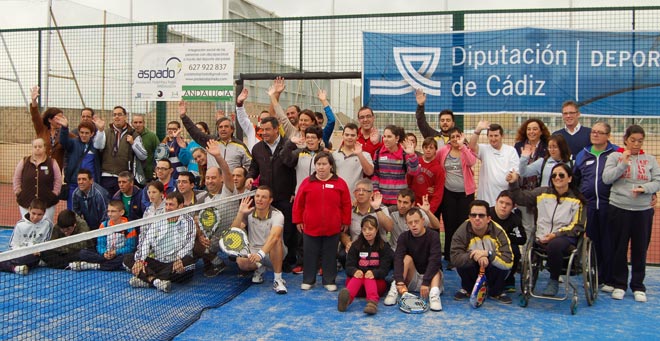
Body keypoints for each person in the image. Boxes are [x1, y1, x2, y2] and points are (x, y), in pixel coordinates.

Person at [507, 163, 586, 297]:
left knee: (555, 244)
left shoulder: (577, 200)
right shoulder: (542, 193)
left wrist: (555, 235)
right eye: (554, 175)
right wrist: (514, 183)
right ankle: (529, 284)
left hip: (565, 237)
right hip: (541, 236)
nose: (557, 178)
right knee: (537, 245)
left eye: (561, 175)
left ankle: (553, 280)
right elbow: (520, 198)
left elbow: (577, 226)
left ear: (570, 179)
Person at [602, 125, 660, 302]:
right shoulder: (614, 156)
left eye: (640, 141)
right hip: (619, 208)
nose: (636, 144)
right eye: (633, 140)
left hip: (642, 211)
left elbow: (658, 180)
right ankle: (620, 284)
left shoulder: (650, 159)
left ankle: (638, 286)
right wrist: (623, 164)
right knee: (619, 247)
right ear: (625, 139)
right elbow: (607, 178)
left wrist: (645, 188)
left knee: (640, 248)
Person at [293, 152, 351, 291]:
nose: (321, 167)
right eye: (318, 164)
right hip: (310, 227)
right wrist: (298, 220)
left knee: (330, 255)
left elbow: (346, 204)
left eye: (324, 164)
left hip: (333, 227)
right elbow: (298, 203)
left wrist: (345, 221)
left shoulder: (340, 183)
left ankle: (329, 280)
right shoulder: (307, 183)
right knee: (309, 254)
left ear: (331, 166)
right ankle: (308, 279)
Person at [246, 116, 297, 272]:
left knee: (287, 229)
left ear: (276, 129)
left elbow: (296, 169)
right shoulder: (257, 148)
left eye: (268, 129)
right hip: (265, 199)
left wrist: (294, 191)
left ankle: (286, 261)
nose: (264, 133)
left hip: (285, 196)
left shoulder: (289, 145)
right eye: (262, 129)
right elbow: (254, 167)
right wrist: (249, 177)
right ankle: (261, 258)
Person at [573, 121, 618, 292]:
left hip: (611, 205)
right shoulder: (582, 154)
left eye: (600, 132)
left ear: (608, 136)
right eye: (593, 132)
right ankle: (595, 275)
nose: (595, 134)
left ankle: (610, 278)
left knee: (610, 242)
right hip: (590, 207)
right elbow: (575, 178)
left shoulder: (616, 153)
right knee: (592, 242)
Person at [124, 192, 196, 292]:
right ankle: (156, 281)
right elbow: (147, 240)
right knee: (129, 259)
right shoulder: (158, 219)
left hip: (175, 263)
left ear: (180, 206)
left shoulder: (188, 221)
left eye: (171, 205)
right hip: (158, 261)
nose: (167, 207)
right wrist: (140, 260)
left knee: (189, 263)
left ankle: (146, 278)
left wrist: (179, 258)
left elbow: (190, 243)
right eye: (166, 204)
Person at [451, 200, 514, 304]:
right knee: (463, 262)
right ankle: (468, 289)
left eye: (481, 215)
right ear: (469, 217)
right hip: (473, 266)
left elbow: (508, 261)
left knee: (502, 262)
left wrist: (489, 254)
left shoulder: (499, 231)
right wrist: (475, 255)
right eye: (473, 215)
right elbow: (454, 258)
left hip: (491, 267)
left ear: (488, 219)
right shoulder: (461, 232)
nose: (477, 218)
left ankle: (496, 292)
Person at [383, 208, 443, 311]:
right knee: (406, 258)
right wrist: (399, 281)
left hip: (430, 281)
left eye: (416, 221)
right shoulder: (403, 237)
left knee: (436, 270)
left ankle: (434, 296)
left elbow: (435, 260)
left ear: (423, 220)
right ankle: (394, 289)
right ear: (407, 224)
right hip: (413, 278)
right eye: (410, 223)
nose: (414, 225)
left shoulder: (433, 236)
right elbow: (398, 259)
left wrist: (426, 282)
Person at [231, 187, 288, 294]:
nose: (259, 199)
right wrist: (240, 213)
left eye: (263, 197)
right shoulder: (249, 213)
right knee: (240, 262)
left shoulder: (278, 215)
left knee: (276, 241)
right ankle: (260, 268)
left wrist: (260, 254)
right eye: (257, 196)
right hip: (254, 253)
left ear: (270, 200)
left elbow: (275, 236)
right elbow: (233, 232)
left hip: (273, 253)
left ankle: (278, 280)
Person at [436, 127, 477, 269]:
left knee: (464, 225)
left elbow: (472, 162)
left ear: (461, 136)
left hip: (466, 194)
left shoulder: (466, 150)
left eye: (457, 136)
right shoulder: (443, 151)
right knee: (449, 225)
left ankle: (462, 255)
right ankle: (449, 256)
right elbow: (435, 165)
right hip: (448, 193)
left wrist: (463, 147)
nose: (454, 139)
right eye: (452, 137)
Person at [338, 216, 394, 315]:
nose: (367, 232)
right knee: (359, 276)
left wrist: (374, 273)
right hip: (357, 286)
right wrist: (355, 271)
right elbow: (349, 266)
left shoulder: (384, 247)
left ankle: (372, 303)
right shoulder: (355, 246)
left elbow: (385, 270)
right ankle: (346, 301)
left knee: (368, 277)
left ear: (376, 230)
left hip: (377, 285)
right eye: (364, 229)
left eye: (370, 229)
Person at [179, 100, 253, 171]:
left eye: (226, 126)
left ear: (232, 129)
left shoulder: (240, 146)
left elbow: (250, 164)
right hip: (213, 182)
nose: (223, 129)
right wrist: (184, 117)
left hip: (231, 183)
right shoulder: (211, 142)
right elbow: (195, 133)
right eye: (220, 127)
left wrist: (243, 177)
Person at [338, 179, 393, 267]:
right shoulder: (350, 210)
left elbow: (389, 228)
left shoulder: (380, 208)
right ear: (354, 194)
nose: (360, 193)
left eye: (364, 190)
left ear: (371, 194)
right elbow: (342, 232)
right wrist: (347, 242)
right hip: (357, 248)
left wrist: (377, 209)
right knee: (342, 255)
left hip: (377, 247)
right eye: (358, 190)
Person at [70, 200, 136, 271]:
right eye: (108, 211)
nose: (109, 214)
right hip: (105, 255)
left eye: (113, 211)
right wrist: (104, 252)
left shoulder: (129, 227)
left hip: (119, 255)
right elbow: (100, 245)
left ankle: (94, 266)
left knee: (128, 257)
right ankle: (111, 265)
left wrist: (115, 252)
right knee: (83, 253)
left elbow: (130, 247)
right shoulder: (104, 225)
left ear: (121, 212)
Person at [514, 118, 551, 237]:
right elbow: (516, 167)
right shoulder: (519, 146)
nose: (531, 132)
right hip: (523, 192)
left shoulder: (547, 147)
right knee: (527, 226)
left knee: (541, 225)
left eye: (535, 129)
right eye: (529, 129)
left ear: (541, 131)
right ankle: (527, 254)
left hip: (541, 192)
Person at [469, 120, 520, 206]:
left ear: (502, 136)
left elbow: (515, 172)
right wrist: (478, 130)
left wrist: (512, 177)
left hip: (504, 199)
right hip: (485, 198)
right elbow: (472, 146)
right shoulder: (484, 149)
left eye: (496, 135)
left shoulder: (511, 150)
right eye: (490, 136)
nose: (493, 139)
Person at [13, 137, 62, 222]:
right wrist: (18, 191)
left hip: (47, 203)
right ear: (32, 148)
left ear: (44, 148)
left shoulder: (52, 163)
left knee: (46, 226)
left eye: (40, 146)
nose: (37, 148)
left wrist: (54, 194)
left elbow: (58, 180)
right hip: (26, 202)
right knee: (27, 225)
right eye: (35, 147)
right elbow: (16, 178)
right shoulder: (24, 162)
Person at [57, 116, 101, 209]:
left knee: (90, 210)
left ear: (92, 134)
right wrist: (64, 128)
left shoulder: (96, 146)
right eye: (81, 132)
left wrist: (101, 129)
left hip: (91, 185)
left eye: (86, 133)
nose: (84, 135)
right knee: (72, 211)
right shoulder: (73, 143)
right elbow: (63, 141)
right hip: (74, 183)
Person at [92, 106, 137, 196]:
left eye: (119, 114)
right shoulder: (105, 132)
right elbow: (98, 146)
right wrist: (100, 130)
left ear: (125, 116)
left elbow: (141, 155)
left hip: (124, 176)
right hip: (106, 175)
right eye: (114, 115)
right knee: (107, 205)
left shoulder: (133, 133)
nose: (117, 117)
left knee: (121, 205)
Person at [0, 199, 53, 275]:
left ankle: (10, 266)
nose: (35, 217)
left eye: (39, 214)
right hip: (19, 254)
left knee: (34, 258)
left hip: (35, 255)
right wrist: (22, 252)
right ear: (29, 210)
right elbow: (12, 245)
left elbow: (45, 243)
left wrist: (36, 250)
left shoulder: (48, 224)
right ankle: (16, 268)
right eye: (33, 213)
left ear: (44, 213)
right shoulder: (20, 225)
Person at [372, 125, 420, 205]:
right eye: (384, 136)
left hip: (399, 202)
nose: (385, 139)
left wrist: (412, 154)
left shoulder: (405, 154)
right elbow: (375, 174)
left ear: (397, 138)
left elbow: (414, 172)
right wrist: (376, 191)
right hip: (381, 201)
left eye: (389, 136)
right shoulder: (378, 153)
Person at [489, 191, 526, 292]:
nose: (503, 206)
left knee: (515, 251)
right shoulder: (487, 214)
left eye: (508, 204)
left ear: (514, 206)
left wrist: (504, 239)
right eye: (501, 202)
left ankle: (509, 279)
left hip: (505, 247)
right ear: (496, 202)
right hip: (487, 244)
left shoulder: (515, 220)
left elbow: (522, 239)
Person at [332, 123, 374, 200]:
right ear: (343, 135)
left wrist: (360, 154)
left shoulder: (365, 155)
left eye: (352, 135)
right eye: (347, 135)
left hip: (355, 199)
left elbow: (369, 172)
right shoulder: (333, 155)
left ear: (357, 137)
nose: (349, 137)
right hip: (336, 197)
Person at [29, 86, 67, 169]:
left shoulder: (65, 134)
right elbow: (35, 116)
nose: (60, 120)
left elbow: (80, 139)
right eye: (58, 118)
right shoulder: (42, 130)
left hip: (56, 170)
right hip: (39, 167)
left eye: (62, 117)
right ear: (50, 120)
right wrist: (34, 101)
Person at [282, 125, 324, 193]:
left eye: (313, 137)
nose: (310, 140)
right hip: (301, 193)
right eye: (308, 137)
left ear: (319, 140)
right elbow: (286, 160)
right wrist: (290, 143)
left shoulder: (325, 156)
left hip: (319, 193)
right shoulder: (299, 153)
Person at [408, 137, 444, 213]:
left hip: (428, 205)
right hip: (414, 203)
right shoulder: (416, 162)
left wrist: (430, 210)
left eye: (431, 148)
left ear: (435, 150)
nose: (428, 150)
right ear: (423, 148)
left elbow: (438, 192)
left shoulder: (438, 168)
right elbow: (408, 181)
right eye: (426, 147)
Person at [131, 113, 159, 183]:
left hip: (148, 175)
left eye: (140, 122)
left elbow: (158, 153)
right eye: (135, 122)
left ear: (144, 123)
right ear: (132, 124)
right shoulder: (128, 136)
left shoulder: (152, 136)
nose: (138, 125)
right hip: (132, 175)